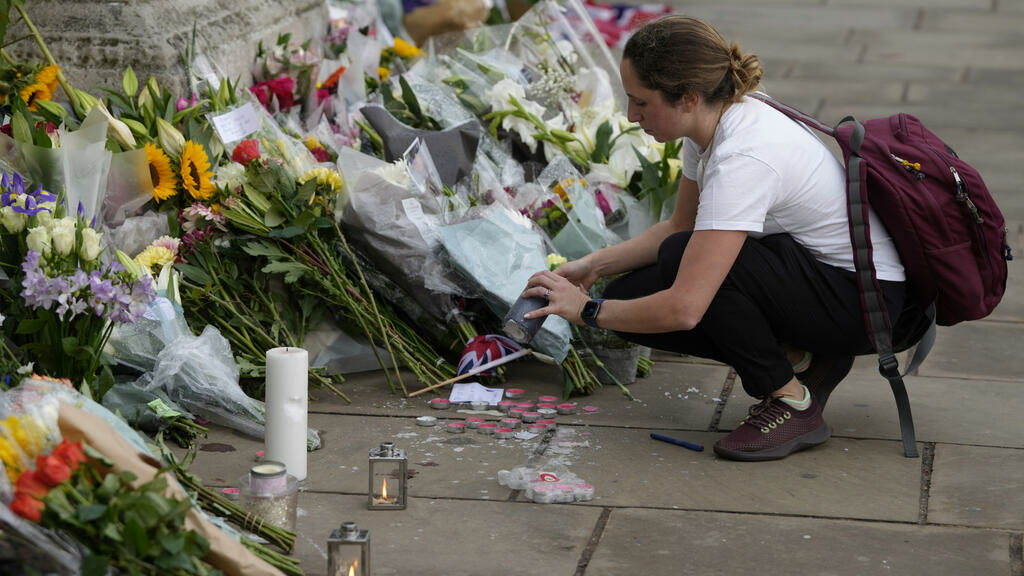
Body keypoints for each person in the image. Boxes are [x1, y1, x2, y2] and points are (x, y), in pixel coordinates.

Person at [520, 15, 907, 461]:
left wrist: (585, 310)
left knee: (680, 274)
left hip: (866, 305)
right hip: (827, 279)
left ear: (688, 97)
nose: (630, 115)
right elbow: (679, 226)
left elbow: (685, 309)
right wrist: (594, 265)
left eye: (640, 102)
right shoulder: (712, 120)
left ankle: (791, 402)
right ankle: (804, 359)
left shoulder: (744, 155)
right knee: (630, 291)